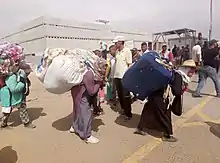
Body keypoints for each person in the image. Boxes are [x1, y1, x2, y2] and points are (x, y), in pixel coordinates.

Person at [134, 71, 183, 142]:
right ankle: (167, 135)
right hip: (162, 97)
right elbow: (177, 91)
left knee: (148, 111)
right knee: (165, 115)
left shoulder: (157, 71)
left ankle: (140, 128)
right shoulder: (177, 75)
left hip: (152, 94)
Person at [69, 58, 107, 144]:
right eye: (104, 67)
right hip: (81, 94)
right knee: (86, 114)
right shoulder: (89, 74)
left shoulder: (95, 72)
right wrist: (99, 83)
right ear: (99, 66)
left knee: (78, 111)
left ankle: (75, 127)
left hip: (79, 92)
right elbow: (92, 91)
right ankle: (87, 135)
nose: (105, 70)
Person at [113, 36, 133, 120]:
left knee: (126, 95)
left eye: (116, 42)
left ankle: (128, 113)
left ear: (120, 42)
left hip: (123, 77)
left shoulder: (127, 51)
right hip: (117, 76)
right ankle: (124, 110)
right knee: (120, 95)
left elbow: (129, 65)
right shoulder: (117, 52)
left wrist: (128, 77)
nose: (114, 44)